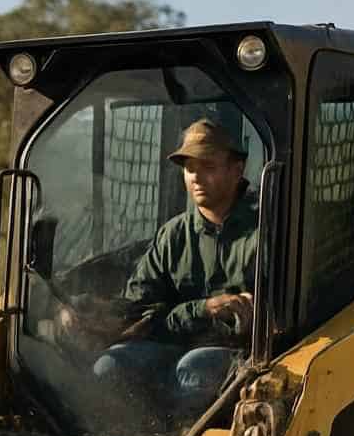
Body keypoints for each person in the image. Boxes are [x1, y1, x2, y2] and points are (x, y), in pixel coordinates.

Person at [61, 118, 258, 412]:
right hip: (172, 343)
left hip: (236, 354)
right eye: (190, 169)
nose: (196, 177)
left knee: (192, 369)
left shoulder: (263, 231)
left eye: (208, 167)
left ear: (237, 170)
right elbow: (140, 307)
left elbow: (266, 322)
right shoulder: (173, 234)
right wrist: (87, 311)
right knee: (109, 367)